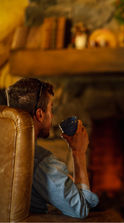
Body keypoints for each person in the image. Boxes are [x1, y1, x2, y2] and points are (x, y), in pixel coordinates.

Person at [6, 78, 99, 219]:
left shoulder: (6, 148)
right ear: (40, 114)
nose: (53, 116)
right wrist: (78, 152)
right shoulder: (40, 161)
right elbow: (81, 210)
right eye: (51, 109)